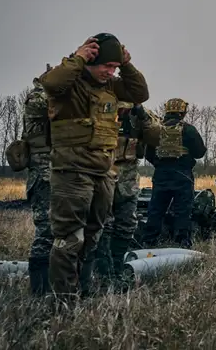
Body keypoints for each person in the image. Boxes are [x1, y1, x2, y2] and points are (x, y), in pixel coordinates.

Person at [39, 33, 149, 299]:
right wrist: (78, 57)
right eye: (106, 66)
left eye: (114, 67)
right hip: (72, 172)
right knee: (69, 238)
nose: (110, 72)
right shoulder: (70, 83)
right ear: (90, 61)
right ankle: (64, 300)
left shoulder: (110, 86)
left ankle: (84, 290)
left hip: (103, 173)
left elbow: (140, 93)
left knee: (93, 235)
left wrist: (127, 65)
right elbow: (51, 83)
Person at [95, 102, 161, 290]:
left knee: (126, 224)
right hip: (102, 173)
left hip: (128, 178)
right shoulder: (100, 105)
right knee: (103, 225)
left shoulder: (138, 114)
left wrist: (143, 116)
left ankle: (117, 269)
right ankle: (103, 273)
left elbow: (158, 136)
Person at [142, 98, 206, 248]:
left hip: (161, 175)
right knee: (183, 211)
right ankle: (182, 242)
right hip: (183, 175)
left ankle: (148, 241)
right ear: (182, 112)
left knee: (156, 209)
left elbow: (148, 154)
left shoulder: (157, 130)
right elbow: (199, 152)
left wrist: (160, 164)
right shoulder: (189, 129)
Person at [24, 65, 53, 296]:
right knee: (45, 230)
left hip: (55, 172)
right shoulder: (36, 97)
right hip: (43, 174)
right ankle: (39, 289)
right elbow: (48, 108)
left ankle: (52, 283)